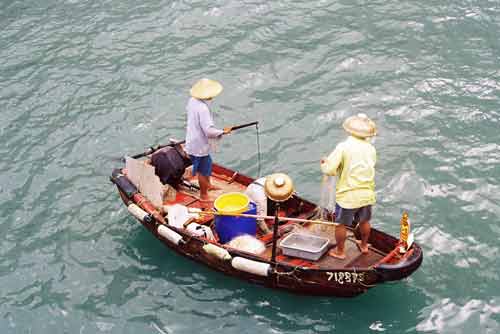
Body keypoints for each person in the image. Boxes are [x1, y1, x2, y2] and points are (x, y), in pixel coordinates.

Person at [320, 113, 377, 259]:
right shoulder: (371, 148)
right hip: (367, 193)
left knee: (341, 224)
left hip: (348, 195)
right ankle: (364, 246)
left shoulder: (343, 147)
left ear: (350, 130)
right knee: (364, 221)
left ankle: (340, 252)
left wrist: (325, 163)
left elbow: (330, 169)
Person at [185, 78, 231, 201]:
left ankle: (208, 185)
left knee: (207, 164)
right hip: (198, 145)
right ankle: (203, 194)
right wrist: (223, 132)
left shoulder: (192, 100)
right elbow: (209, 131)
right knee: (202, 171)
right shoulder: (203, 109)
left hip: (192, 140)